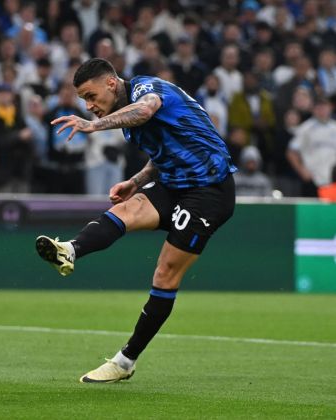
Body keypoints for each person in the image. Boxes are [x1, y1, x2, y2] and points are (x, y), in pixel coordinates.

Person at [36, 58, 236, 383]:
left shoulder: (146, 88)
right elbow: (163, 154)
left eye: (91, 96)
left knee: (165, 273)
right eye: (84, 101)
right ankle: (69, 251)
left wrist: (91, 126)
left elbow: (145, 110)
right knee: (126, 210)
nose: (89, 106)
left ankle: (125, 361)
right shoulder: (128, 119)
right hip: (175, 184)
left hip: (209, 190)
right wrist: (135, 182)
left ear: (111, 83)